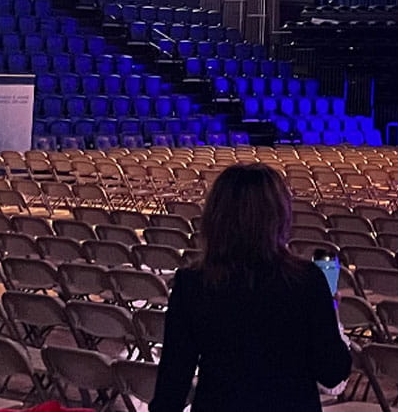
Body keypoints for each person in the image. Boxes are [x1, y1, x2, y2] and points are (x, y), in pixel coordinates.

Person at [150, 163, 353, 412]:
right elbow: (333, 373)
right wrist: (332, 313)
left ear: (215, 216)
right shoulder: (307, 281)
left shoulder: (190, 283)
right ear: (279, 216)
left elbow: (173, 379)